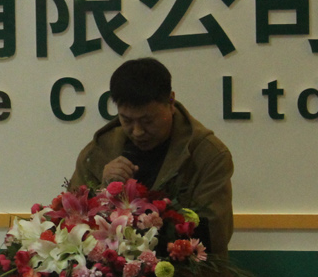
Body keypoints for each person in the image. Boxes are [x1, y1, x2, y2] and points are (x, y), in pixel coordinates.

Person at [69, 55, 234, 256]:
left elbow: (214, 235)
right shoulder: (98, 152)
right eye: (127, 120)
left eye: (148, 121)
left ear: (171, 101)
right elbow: (71, 223)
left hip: (183, 270)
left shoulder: (207, 155)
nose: (137, 131)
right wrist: (103, 191)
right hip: (105, 269)